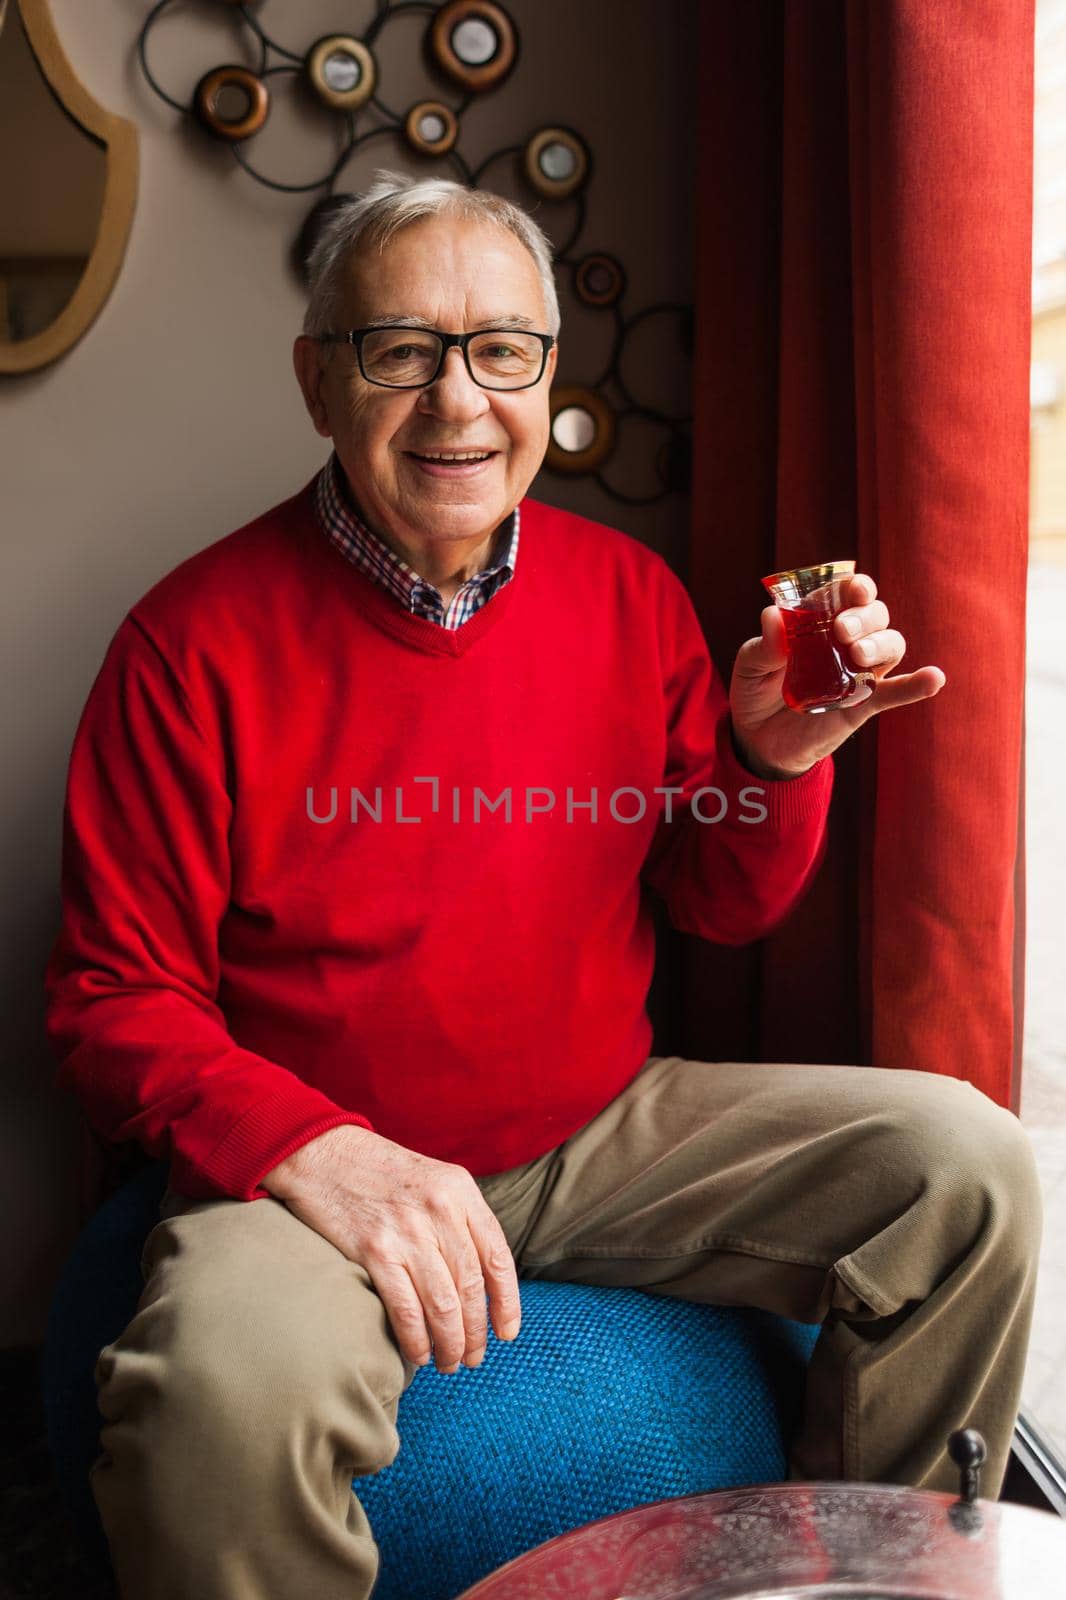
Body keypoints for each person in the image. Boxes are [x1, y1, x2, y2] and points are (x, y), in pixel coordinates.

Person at [44, 171, 1041, 1600]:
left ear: (547, 377)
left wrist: (771, 758)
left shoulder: (629, 596)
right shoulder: (186, 644)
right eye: (400, 350)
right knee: (210, 1405)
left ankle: (870, 1575)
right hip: (317, 1170)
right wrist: (324, 1156)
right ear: (318, 381)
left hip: (599, 1130)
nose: (458, 402)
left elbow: (716, 900)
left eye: (499, 350)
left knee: (972, 1171)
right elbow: (108, 1002)